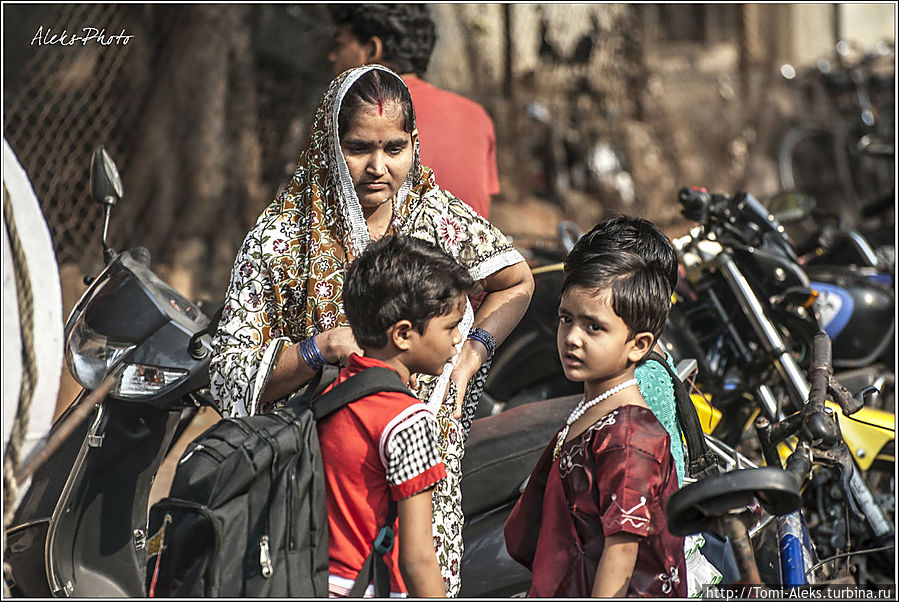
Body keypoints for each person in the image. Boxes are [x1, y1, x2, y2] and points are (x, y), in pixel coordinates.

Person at [210, 64, 533, 596]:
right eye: (359, 148)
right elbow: (226, 379)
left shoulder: (438, 217)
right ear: (327, 145)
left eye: (395, 147)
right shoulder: (281, 238)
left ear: (414, 144)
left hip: (423, 469)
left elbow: (517, 281)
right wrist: (317, 350)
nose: (378, 167)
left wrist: (470, 358)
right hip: (319, 486)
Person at [503, 238, 687, 597]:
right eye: (566, 319)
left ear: (638, 344)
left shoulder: (630, 436)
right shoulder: (595, 408)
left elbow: (621, 553)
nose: (572, 338)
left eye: (593, 327)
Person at [320, 234, 475, 597]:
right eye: (451, 327)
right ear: (404, 334)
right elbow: (417, 558)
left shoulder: (333, 391)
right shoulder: (408, 420)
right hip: (370, 586)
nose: (457, 340)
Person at [327, 4, 499, 219]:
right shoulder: (476, 116)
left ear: (372, 49)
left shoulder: (344, 114)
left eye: (339, 45)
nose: (332, 57)